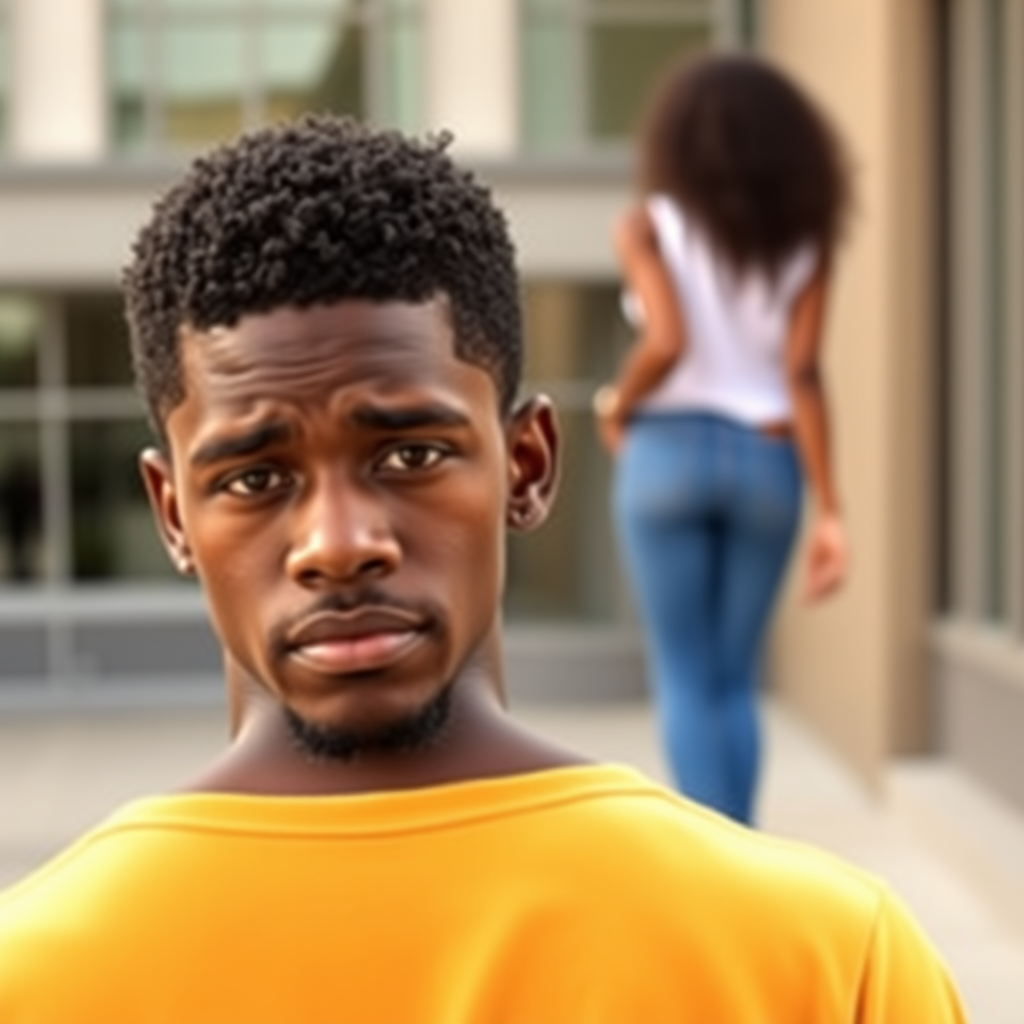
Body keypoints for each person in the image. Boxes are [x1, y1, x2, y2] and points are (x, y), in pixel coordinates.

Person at [0, 115, 965, 1024]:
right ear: (174, 513)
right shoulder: (824, 960)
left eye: (409, 454)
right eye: (255, 476)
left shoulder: (29, 972)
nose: (337, 544)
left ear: (529, 465)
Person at [595, 53, 852, 825]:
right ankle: (746, 855)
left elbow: (665, 340)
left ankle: (721, 871)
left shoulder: (649, 227)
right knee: (734, 679)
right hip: (768, 462)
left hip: (667, 456)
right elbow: (803, 372)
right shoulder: (807, 241)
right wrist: (832, 510)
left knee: (684, 677)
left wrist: (617, 402)